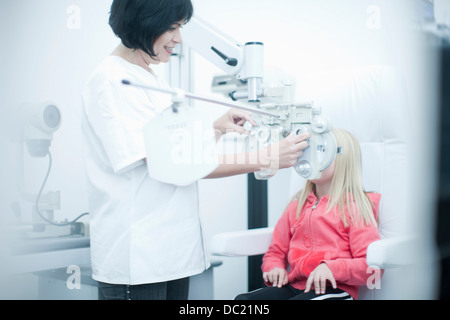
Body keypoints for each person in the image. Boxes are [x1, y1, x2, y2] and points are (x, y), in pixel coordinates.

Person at [81, 0, 310, 300]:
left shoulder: (148, 77)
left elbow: (174, 149)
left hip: (171, 255)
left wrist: (214, 129)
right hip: (138, 261)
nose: (179, 39)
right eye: (172, 28)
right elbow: (172, 162)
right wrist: (264, 158)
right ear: (144, 22)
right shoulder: (113, 81)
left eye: (181, 28)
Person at [235, 129, 382, 300]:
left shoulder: (355, 208)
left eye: (322, 151)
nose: (312, 158)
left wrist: (332, 268)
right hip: (295, 286)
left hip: (334, 290)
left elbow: (373, 267)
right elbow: (276, 251)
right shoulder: (297, 205)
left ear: (343, 160)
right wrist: (274, 267)